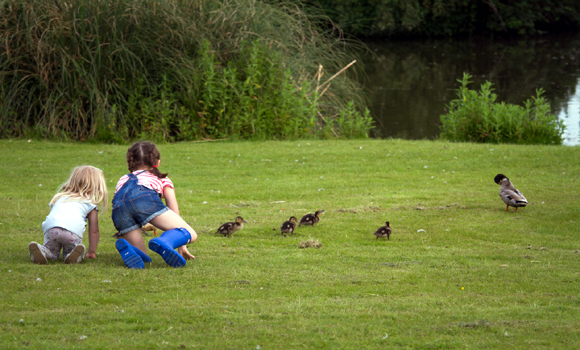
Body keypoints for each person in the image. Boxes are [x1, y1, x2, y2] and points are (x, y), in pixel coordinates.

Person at [112, 141, 197, 269]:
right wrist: (181, 244)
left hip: (119, 210)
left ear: (131, 162)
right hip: (143, 199)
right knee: (190, 233)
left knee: (144, 259)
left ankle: (134, 252)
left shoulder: (123, 179)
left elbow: (124, 201)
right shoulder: (162, 179)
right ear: (157, 162)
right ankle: (165, 241)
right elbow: (174, 211)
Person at [29, 166, 108, 264]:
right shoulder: (90, 203)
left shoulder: (59, 197)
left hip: (52, 229)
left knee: (51, 251)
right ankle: (72, 255)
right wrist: (91, 252)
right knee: (73, 249)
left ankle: (43, 251)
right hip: (72, 233)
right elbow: (94, 232)